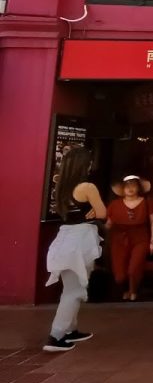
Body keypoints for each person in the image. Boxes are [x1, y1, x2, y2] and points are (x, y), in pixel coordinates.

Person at [44, 148, 107, 352]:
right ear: (83, 164)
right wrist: (94, 210)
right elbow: (102, 212)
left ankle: (70, 330)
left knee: (71, 286)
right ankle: (56, 335)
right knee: (74, 290)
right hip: (82, 239)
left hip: (64, 237)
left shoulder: (60, 187)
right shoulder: (88, 187)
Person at [104, 174, 153, 301]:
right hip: (118, 239)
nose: (130, 188)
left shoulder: (146, 202)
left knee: (134, 268)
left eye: (133, 185)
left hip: (140, 238)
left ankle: (133, 291)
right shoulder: (115, 204)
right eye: (127, 186)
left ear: (138, 188)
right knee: (120, 275)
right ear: (123, 189)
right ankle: (125, 290)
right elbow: (108, 224)